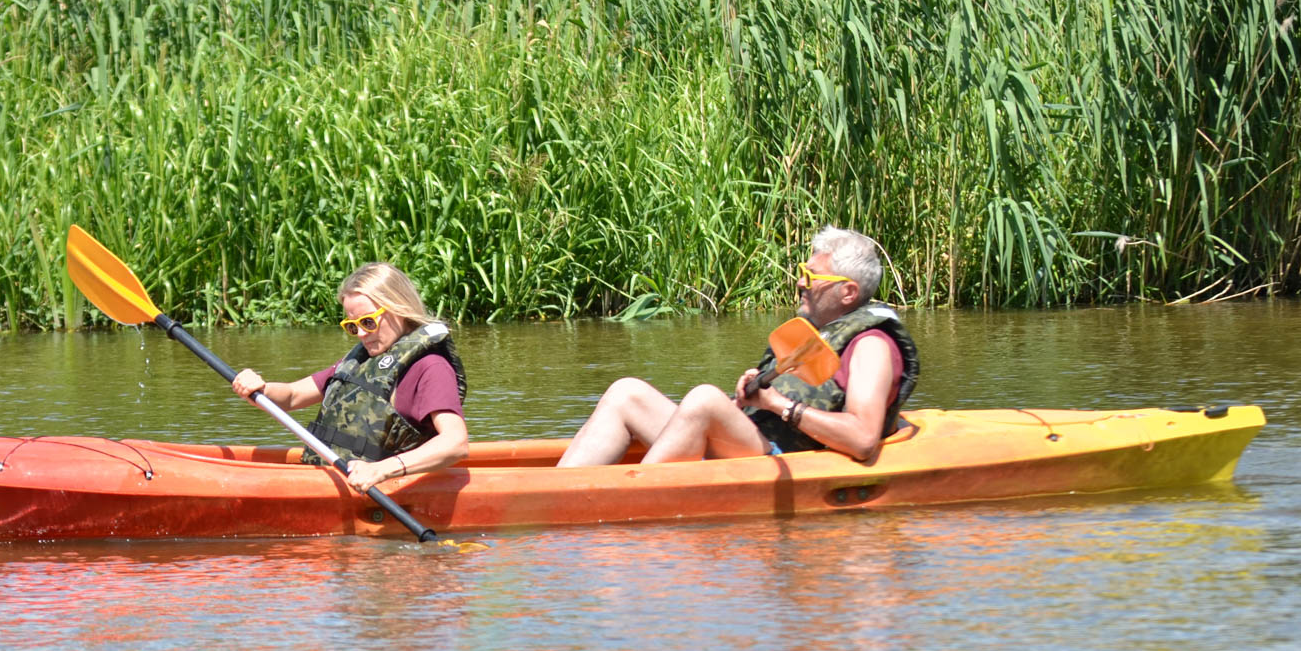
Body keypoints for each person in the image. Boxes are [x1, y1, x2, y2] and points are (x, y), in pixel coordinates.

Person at [555, 226, 919, 467]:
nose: (799, 283)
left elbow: (862, 439)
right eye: (801, 272)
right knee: (627, 393)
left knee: (705, 400)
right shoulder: (814, 334)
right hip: (758, 445)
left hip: (790, 460)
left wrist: (777, 404)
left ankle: (631, 497)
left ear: (848, 292)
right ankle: (556, 491)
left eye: (811, 277)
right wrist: (751, 399)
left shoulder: (871, 345)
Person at [231, 263, 469, 491]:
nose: (361, 334)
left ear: (398, 308)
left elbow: (455, 443)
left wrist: (381, 470)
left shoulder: (431, 367)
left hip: (386, 489)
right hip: (333, 481)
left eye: (368, 322)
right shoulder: (360, 362)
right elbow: (293, 396)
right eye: (352, 326)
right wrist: (260, 388)